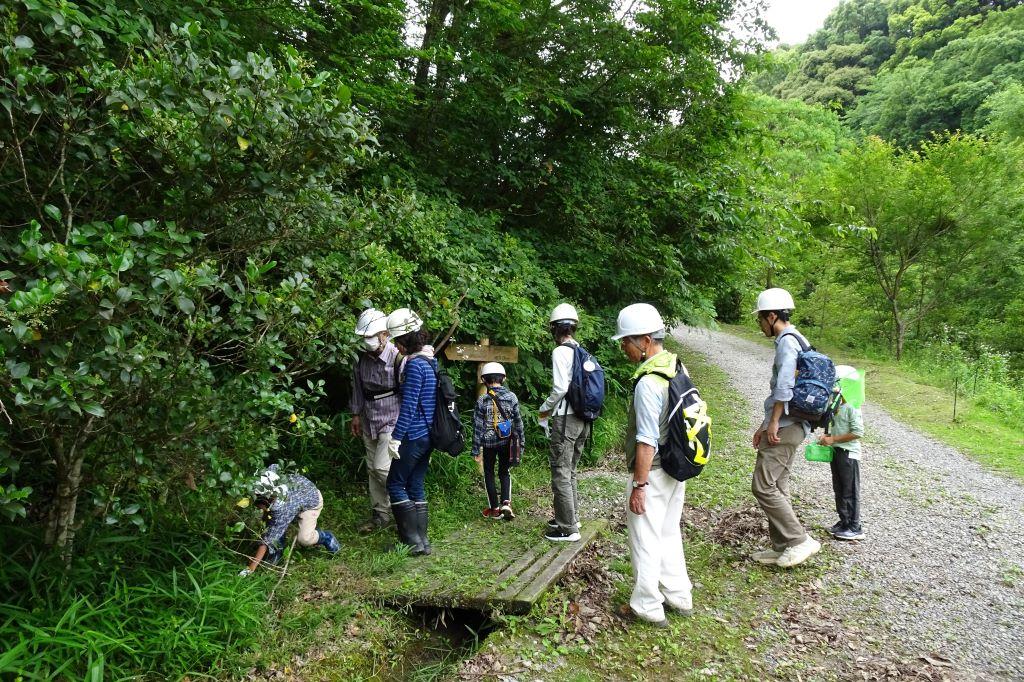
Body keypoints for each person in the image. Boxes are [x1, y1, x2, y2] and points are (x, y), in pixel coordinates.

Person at [613, 303, 692, 627]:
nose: (623, 348)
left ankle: (647, 605)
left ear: (645, 340)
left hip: (655, 471)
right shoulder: (676, 366)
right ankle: (678, 595)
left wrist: (639, 486)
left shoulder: (648, 383)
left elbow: (646, 440)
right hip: (676, 467)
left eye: (626, 341)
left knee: (645, 537)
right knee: (668, 532)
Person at [750, 288, 821, 568]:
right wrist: (764, 423)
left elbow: (784, 387)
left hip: (787, 425)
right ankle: (782, 546)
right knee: (778, 484)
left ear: (771, 316)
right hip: (794, 423)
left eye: (760, 319)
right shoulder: (800, 339)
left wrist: (774, 422)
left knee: (763, 486)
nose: (760, 325)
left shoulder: (786, 342)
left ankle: (798, 540)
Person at [386, 308, 436, 556]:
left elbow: (409, 406)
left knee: (395, 483)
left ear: (405, 340)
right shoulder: (430, 361)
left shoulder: (415, 365)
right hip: (428, 436)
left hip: (414, 435)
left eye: (397, 341)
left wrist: (396, 438)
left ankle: (412, 542)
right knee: (415, 485)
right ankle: (423, 542)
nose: (396, 346)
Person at [538, 303, 590, 542]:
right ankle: (571, 517)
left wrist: (544, 409)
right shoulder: (582, 351)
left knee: (560, 470)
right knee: (571, 470)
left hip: (565, 418)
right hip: (583, 418)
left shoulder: (560, 352)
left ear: (554, 328)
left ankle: (567, 528)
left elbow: (560, 388)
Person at [349, 308, 402, 533]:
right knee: (372, 468)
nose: (367, 341)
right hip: (368, 417)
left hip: (392, 418)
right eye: (364, 337)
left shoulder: (397, 356)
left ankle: (404, 503)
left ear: (384, 334)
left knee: (382, 467)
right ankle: (381, 514)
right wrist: (355, 415)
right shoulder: (361, 359)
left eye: (371, 336)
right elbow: (358, 388)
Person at [238, 465, 340, 576]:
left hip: (311, 502)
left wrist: (251, 568)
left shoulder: (285, 508)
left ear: (271, 497)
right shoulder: (271, 478)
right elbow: (274, 466)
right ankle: (277, 551)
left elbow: (266, 539)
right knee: (272, 522)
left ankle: (327, 537)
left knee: (304, 539)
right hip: (298, 494)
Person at [472, 362, 526, 521]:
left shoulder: (482, 400)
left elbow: (477, 427)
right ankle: (506, 503)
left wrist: (475, 449)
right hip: (506, 441)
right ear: (504, 378)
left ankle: (494, 509)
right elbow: (518, 423)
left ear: (484, 380)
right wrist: (521, 443)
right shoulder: (512, 397)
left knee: (488, 473)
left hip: (488, 444)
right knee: (505, 471)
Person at [818, 365, 865, 541]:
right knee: (839, 488)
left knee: (850, 489)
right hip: (837, 451)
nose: (834, 389)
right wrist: (828, 437)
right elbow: (837, 429)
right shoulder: (837, 405)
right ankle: (843, 521)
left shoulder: (853, 405)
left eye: (837, 385)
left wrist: (834, 440)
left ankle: (855, 526)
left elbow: (858, 432)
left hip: (849, 454)